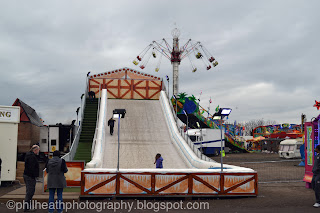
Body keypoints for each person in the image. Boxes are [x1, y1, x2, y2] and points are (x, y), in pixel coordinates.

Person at [23, 145, 40, 212]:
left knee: (29, 191)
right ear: (35, 150)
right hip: (30, 176)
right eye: (38, 150)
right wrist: (34, 175)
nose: (39, 151)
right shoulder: (32, 157)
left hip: (27, 175)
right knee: (30, 192)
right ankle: (27, 207)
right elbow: (31, 168)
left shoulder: (29, 155)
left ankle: (28, 206)